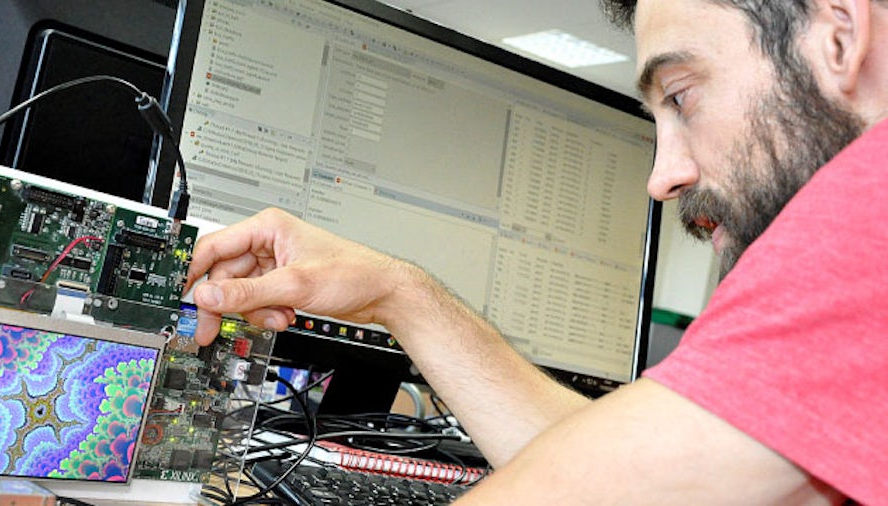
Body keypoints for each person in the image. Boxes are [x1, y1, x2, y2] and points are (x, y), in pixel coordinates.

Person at [184, 0, 888, 502]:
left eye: (682, 97)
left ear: (839, 34)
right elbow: (625, 477)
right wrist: (395, 293)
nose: (662, 176)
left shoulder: (867, 213)